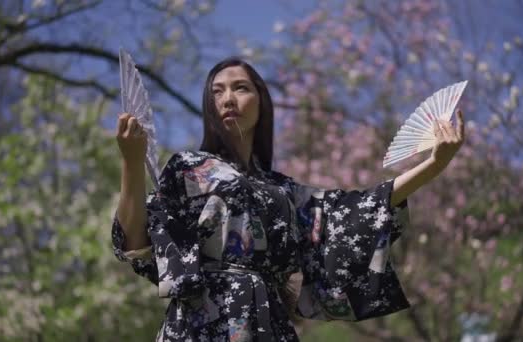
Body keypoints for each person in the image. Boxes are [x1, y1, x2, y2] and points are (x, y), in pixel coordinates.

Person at [112, 57, 465, 341]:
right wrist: (131, 160)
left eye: (240, 88)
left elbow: (355, 211)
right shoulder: (188, 168)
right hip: (202, 320)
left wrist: (433, 165)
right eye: (217, 92)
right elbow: (136, 240)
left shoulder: (282, 192)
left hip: (268, 322)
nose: (227, 98)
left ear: (262, 102)